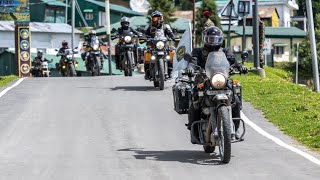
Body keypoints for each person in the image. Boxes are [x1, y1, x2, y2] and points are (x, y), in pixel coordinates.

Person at [185, 26, 248, 140]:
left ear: (220, 40)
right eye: (210, 39)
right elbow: (193, 61)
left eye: (216, 39)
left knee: (236, 101)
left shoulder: (225, 51)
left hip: (221, 79)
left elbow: (232, 60)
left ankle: (235, 129)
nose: (213, 42)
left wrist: (240, 66)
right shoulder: (198, 51)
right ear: (205, 39)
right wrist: (190, 67)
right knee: (195, 102)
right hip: (203, 79)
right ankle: (193, 131)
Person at [143, 10, 176, 80]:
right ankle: (147, 72)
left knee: (171, 53)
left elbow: (171, 34)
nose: (157, 20)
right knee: (147, 53)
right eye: (155, 18)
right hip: (152, 46)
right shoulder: (149, 27)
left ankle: (170, 71)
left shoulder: (165, 26)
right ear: (152, 19)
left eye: (159, 18)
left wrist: (173, 37)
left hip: (163, 46)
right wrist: (144, 38)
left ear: (162, 18)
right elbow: (144, 35)